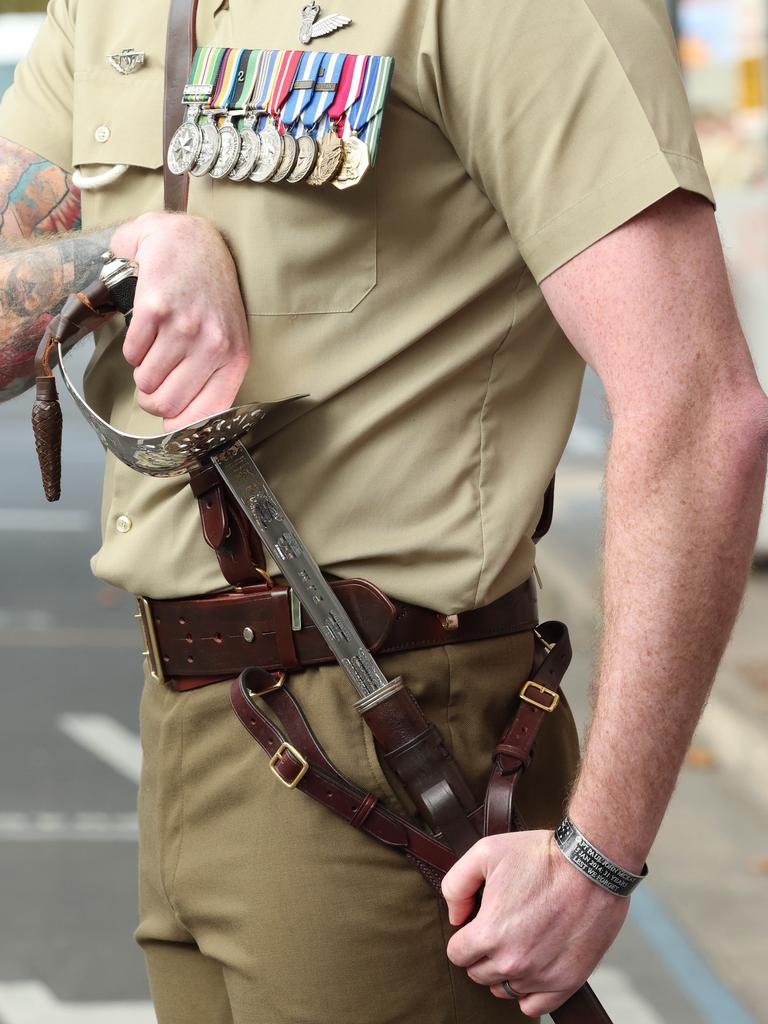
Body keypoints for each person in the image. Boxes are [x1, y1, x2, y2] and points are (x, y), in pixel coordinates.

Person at [1, 1, 766, 1021]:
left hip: (392, 734)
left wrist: (599, 855)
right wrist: (132, 251)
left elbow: (700, 408)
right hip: (188, 723)